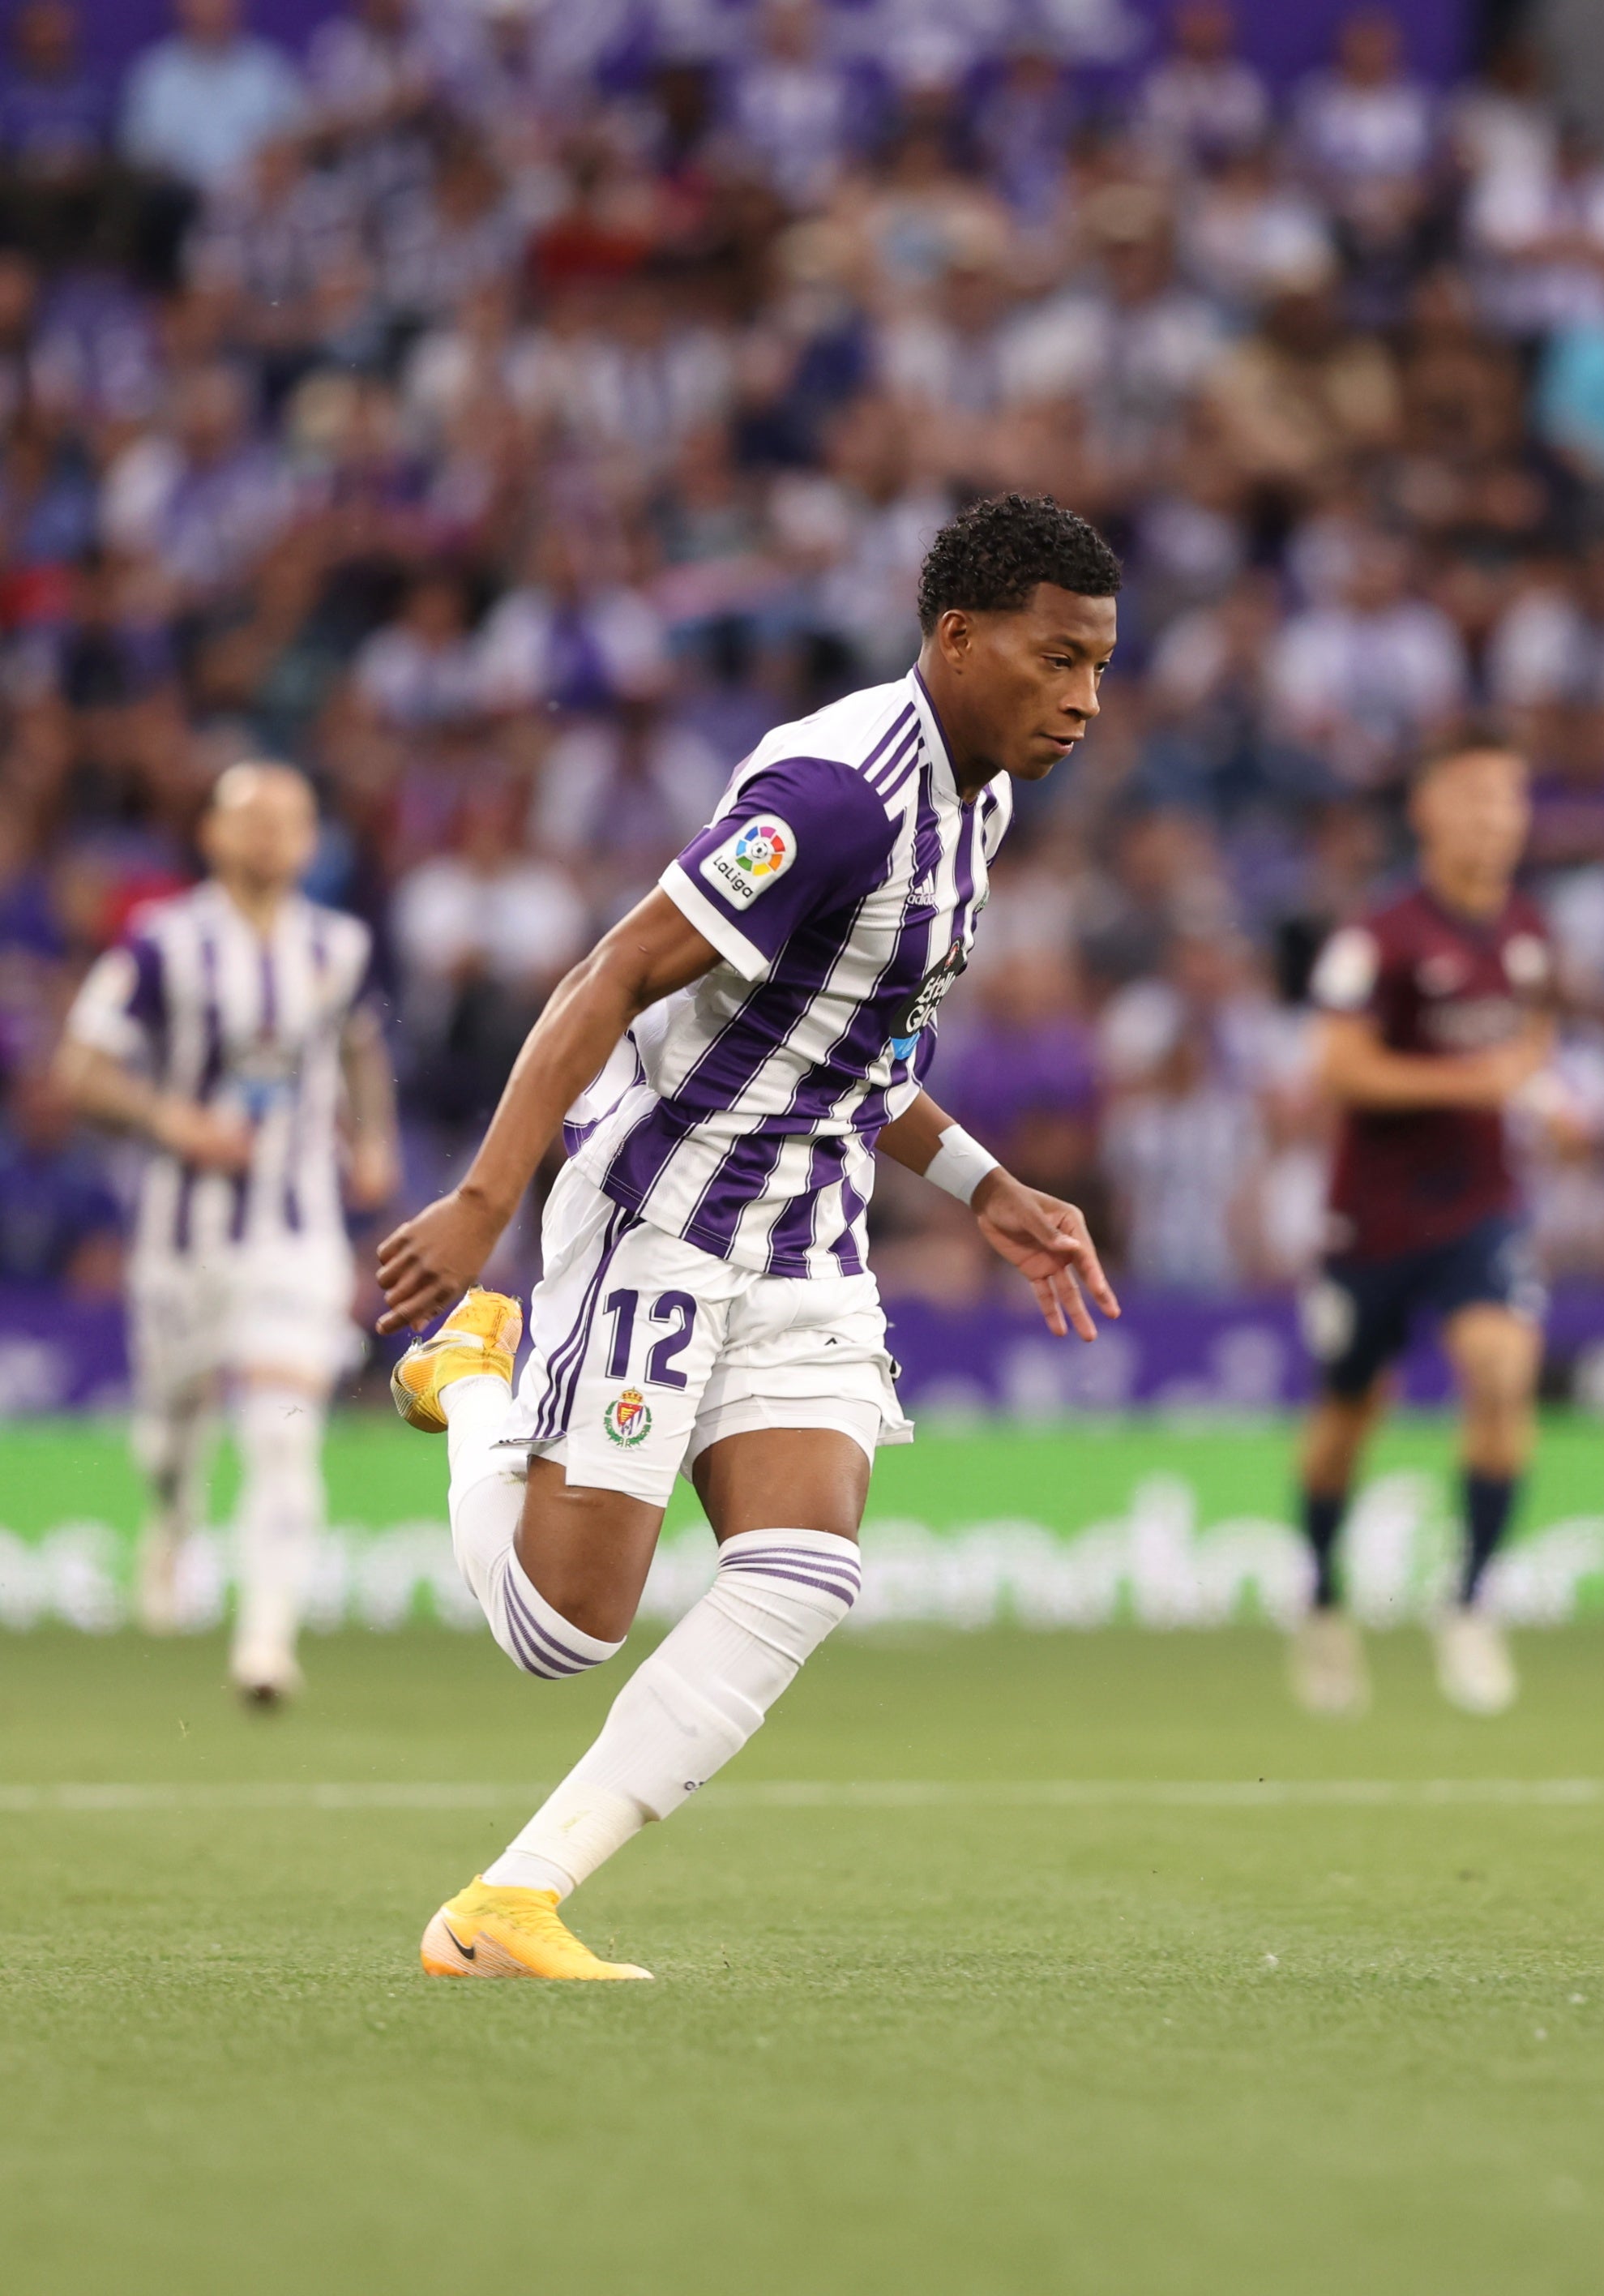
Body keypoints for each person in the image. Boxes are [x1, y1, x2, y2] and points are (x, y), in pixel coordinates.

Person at [369, 494, 1127, 1981]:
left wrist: (985, 1185)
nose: (1084, 700)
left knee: (802, 1565)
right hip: (665, 1205)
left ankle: (509, 1903)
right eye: (1058, 661)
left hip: (805, 1230)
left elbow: (850, 1045)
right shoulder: (837, 792)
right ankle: (475, 1373)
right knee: (561, 1634)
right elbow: (610, 976)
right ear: (959, 638)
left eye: (1100, 667)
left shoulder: (984, 799)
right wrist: (483, 1200)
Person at [57, 765, 398, 1700]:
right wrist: (173, 1124)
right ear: (212, 835)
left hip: (297, 1234)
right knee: (171, 1434)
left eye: (292, 819)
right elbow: (82, 1067)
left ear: (311, 838)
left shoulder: (337, 947)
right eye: (253, 819)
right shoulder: (163, 944)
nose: (271, 836)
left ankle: (265, 1644)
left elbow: (362, 1047)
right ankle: (169, 1521)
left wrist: (372, 1140)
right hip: (181, 1239)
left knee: (283, 1431)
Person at [1290, 741, 1555, 1720]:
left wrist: (1547, 1095)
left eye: (1512, 798)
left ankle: (1473, 1601)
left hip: (1482, 1204)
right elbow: (1338, 1067)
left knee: (1500, 1373)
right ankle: (1321, 1599)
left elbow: (1530, 1045)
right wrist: (1473, 1083)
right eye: (1479, 796)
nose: (1498, 816)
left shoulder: (1527, 931)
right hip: (1375, 1215)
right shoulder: (1381, 936)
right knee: (1348, 1420)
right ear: (1430, 810)